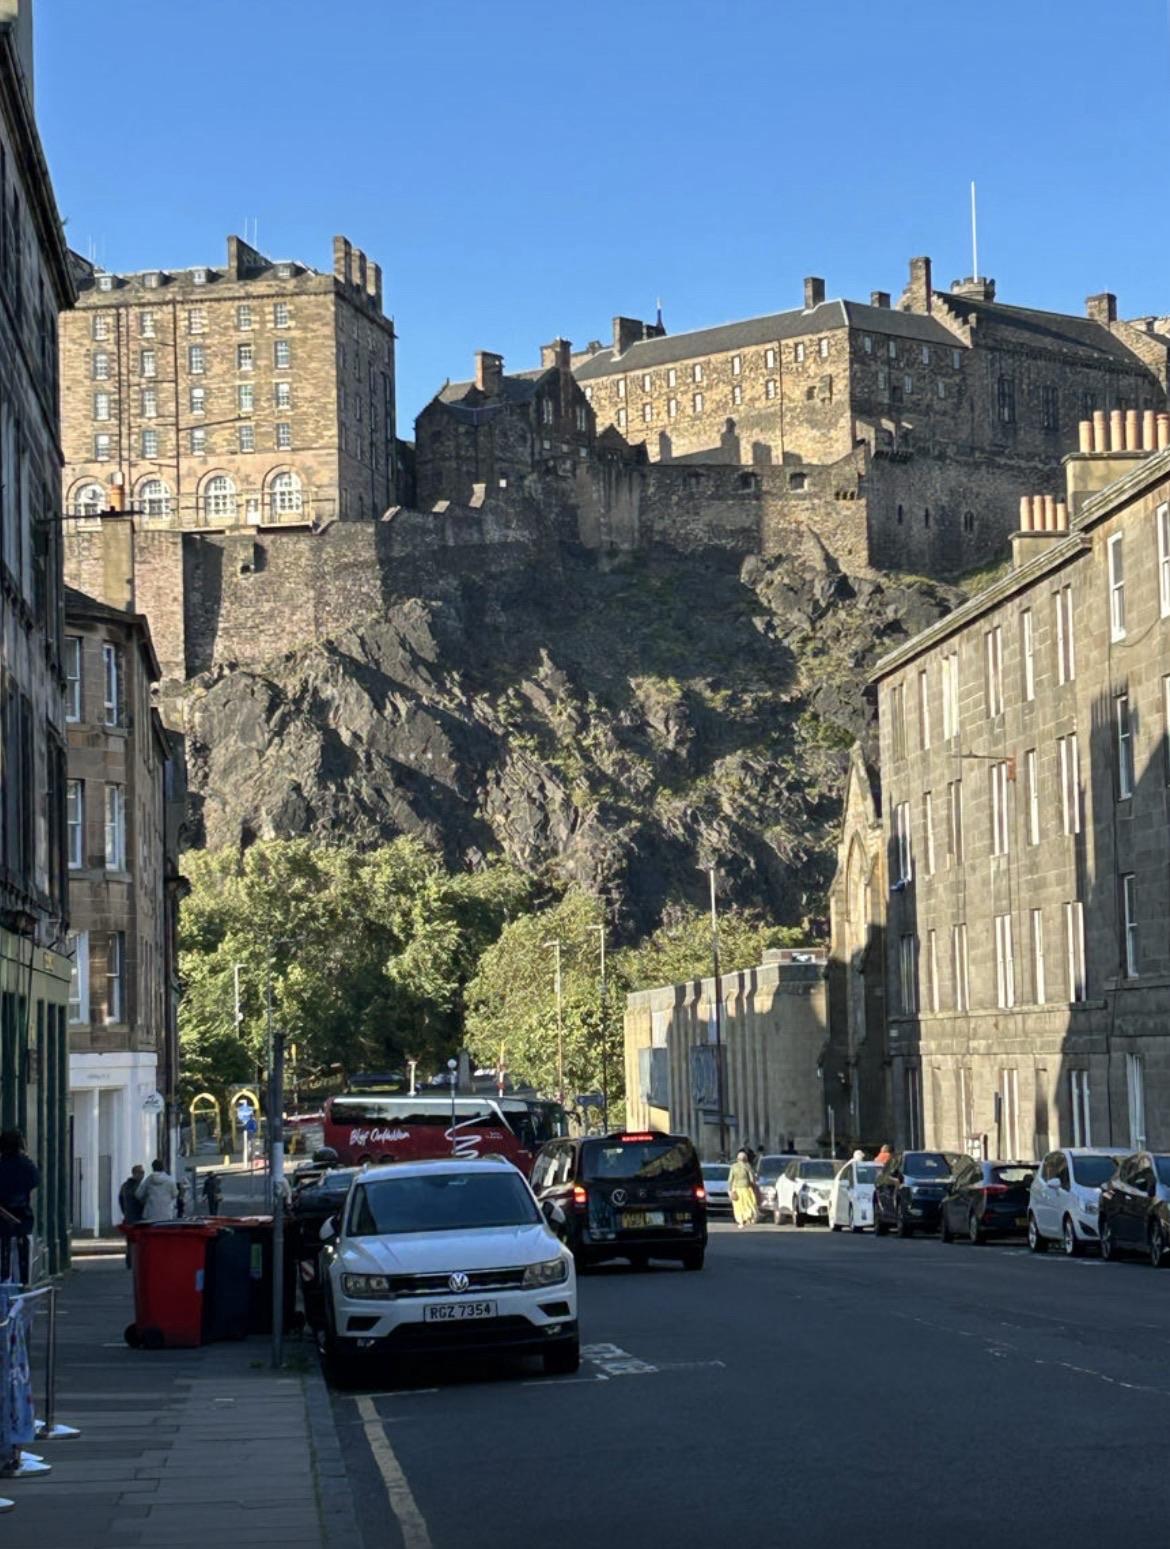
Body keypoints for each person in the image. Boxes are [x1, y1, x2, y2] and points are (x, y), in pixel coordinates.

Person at [0, 1130, 39, 1285]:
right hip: (23, 1220)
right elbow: (35, 1180)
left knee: (4, 1263)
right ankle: (21, 1290)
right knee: (23, 1264)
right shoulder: (26, 1165)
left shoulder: (2, 1166)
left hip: (3, 1221)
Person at [119, 1163, 145, 1267]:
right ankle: (134, 1261)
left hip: (129, 1216)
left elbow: (120, 1200)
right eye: (141, 1172)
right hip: (137, 1216)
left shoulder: (124, 1186)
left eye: (143, 1172)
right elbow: (141, 1200)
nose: (142, 1175)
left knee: (130, 1241)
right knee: (136, 1240)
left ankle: (130, 1260)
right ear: (135, 1173)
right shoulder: (138, 1186)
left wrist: (125, 1211)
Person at [136, 1158, 178, 1222]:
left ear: (153, 1168)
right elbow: (175, 1194)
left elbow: (138, 1194)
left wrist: (146, 1199)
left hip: (151, 1214)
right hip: (166, 1214)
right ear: (163, 1167)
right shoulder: (170, 1180)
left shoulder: (149, 1180)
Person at [727, 1149, 758, 1229]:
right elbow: (752, 1179)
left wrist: (729, 1190)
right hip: (746, 1189)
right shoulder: (747, 1166)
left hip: (736, 1190)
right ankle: (748, 1217)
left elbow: (730, 1180)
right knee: (748, 1204)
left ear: (737, 1159)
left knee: (738, 1206)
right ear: (745, 1158)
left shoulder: (733, 1167)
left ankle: (740, 1221)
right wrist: (754, 1185)